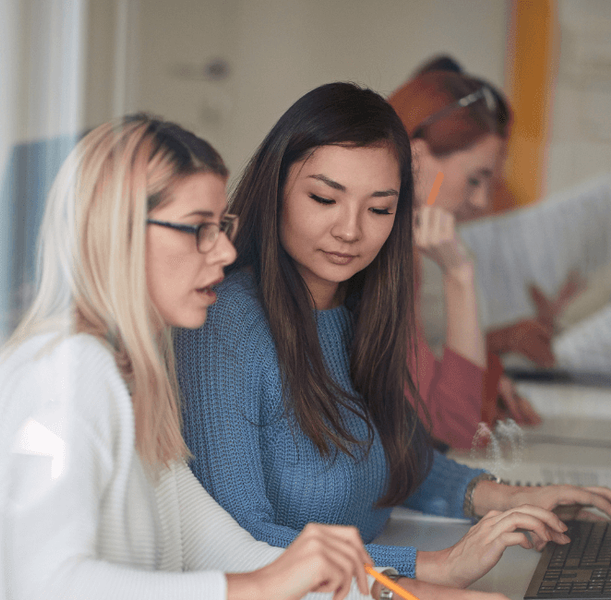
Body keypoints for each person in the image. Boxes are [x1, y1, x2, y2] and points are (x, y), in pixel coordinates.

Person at [0, 114, 380, 600]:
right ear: (119, 232)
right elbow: (46, 582)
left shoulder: (131, 379)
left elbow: (227, 551)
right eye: (198, 228)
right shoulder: (66, 373)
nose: (222, 252)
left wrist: (390, 591)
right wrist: (264, 586)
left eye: (221, 227)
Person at [174, 82, 611, 599]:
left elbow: (402, 461)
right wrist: (431, 568)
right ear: (275, 191)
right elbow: (243, 540)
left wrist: (512, 499)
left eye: (379, 209)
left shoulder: (361, 304)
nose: (350, 231)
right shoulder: (225, 324)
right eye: (323, 198)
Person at [388, 57, 559, 444]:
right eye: (474, 179)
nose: (481, 201)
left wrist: (486, 381)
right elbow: (458, 426)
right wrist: (458, 276)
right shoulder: (375, 255)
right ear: (415, 158)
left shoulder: (403, 252)